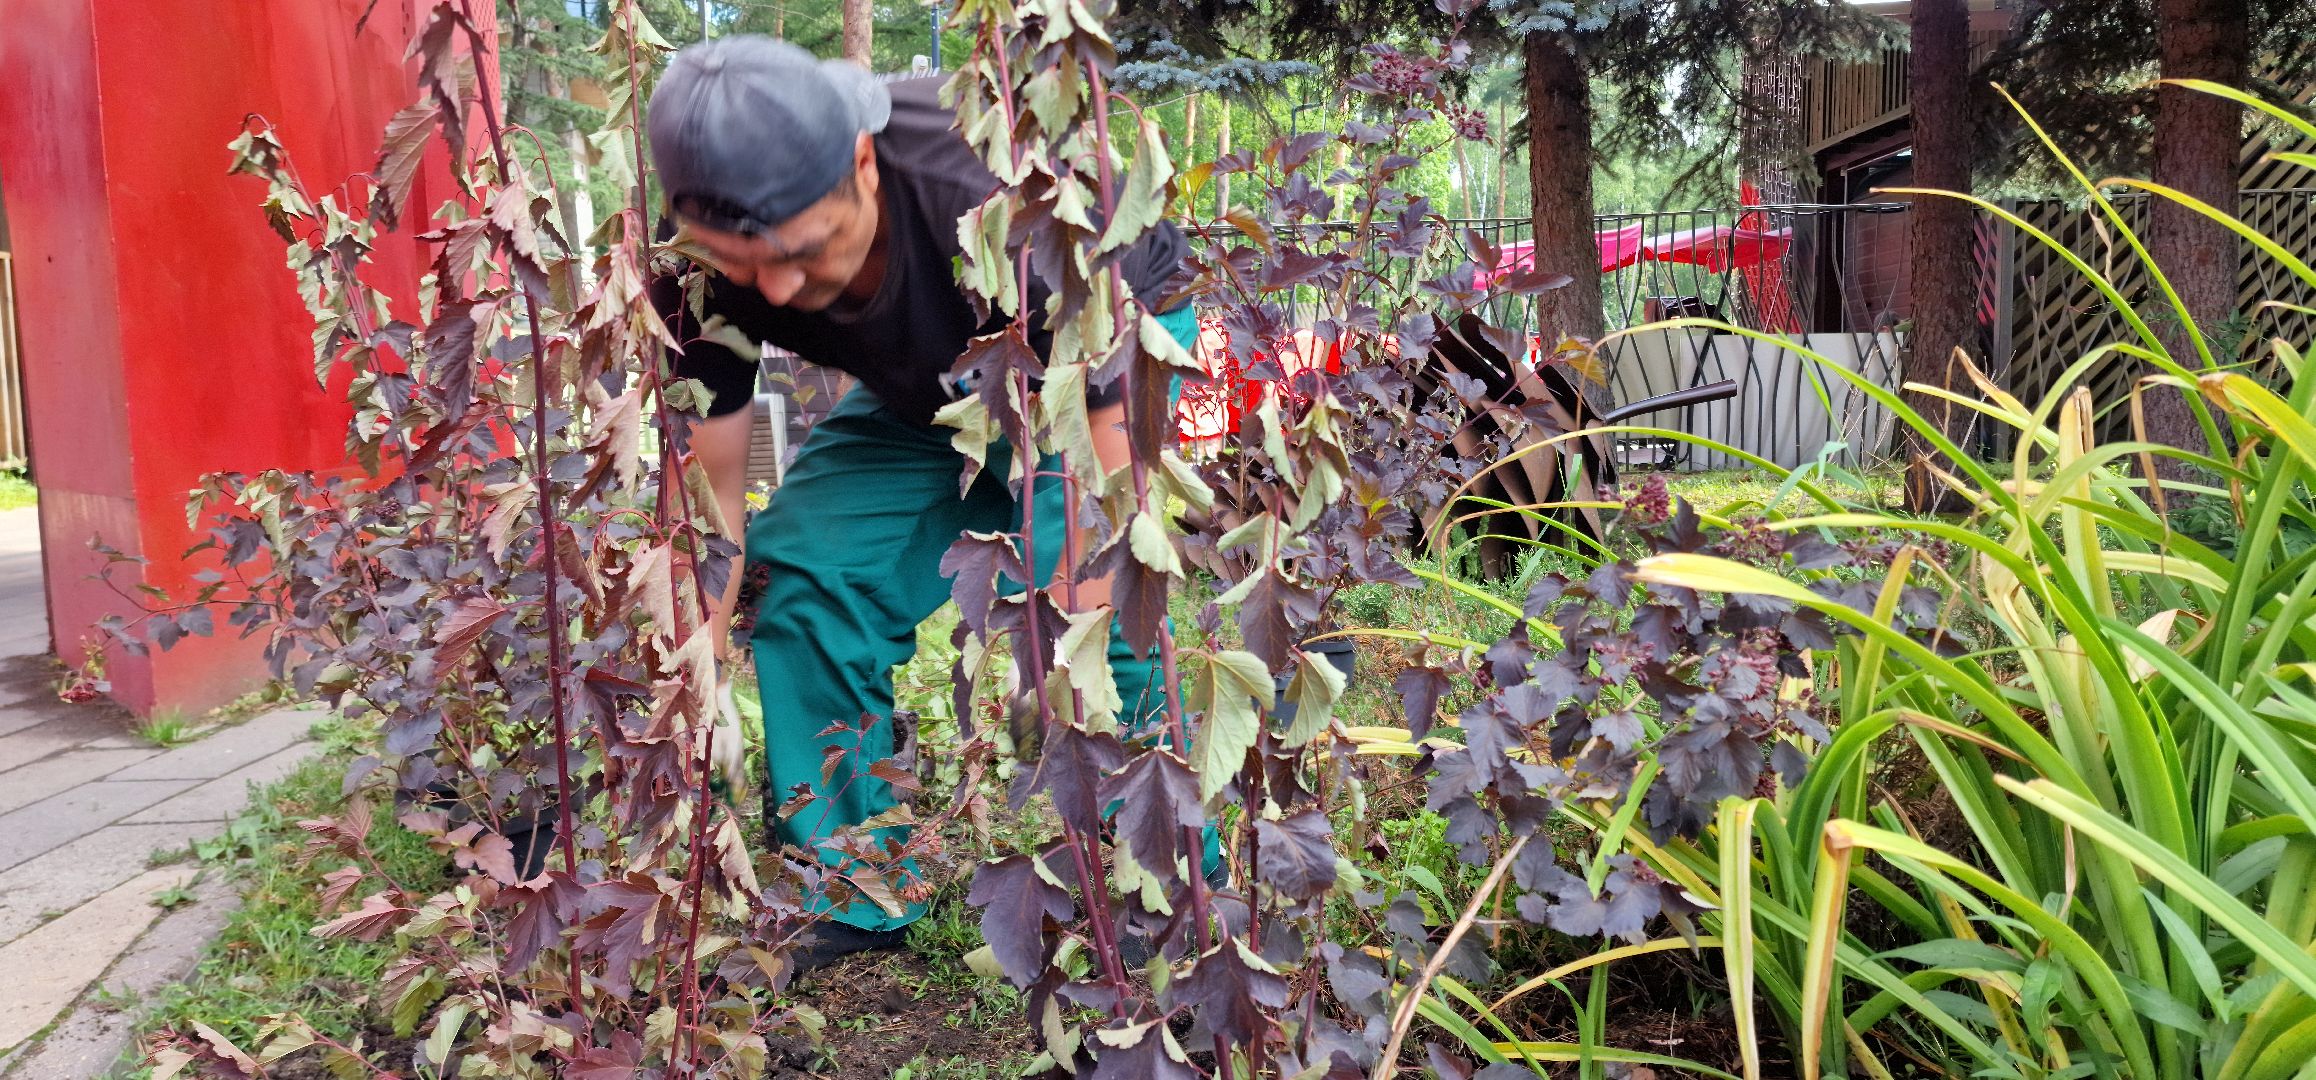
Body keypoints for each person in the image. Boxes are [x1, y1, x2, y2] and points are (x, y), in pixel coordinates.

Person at [643, 36, 1198, 970]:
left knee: (1104, 628)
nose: (776, 291)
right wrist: (699, 668)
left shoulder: (992, 195)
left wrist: (1067, 659)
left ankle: (1165, 894)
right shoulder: (694, 273)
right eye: (745, 266)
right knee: (807, 575)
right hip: (930, 390)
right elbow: (713, 498)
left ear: (863, 160)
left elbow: (1108, 502)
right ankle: (864, 878)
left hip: (1099, 348)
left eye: (801, 252)